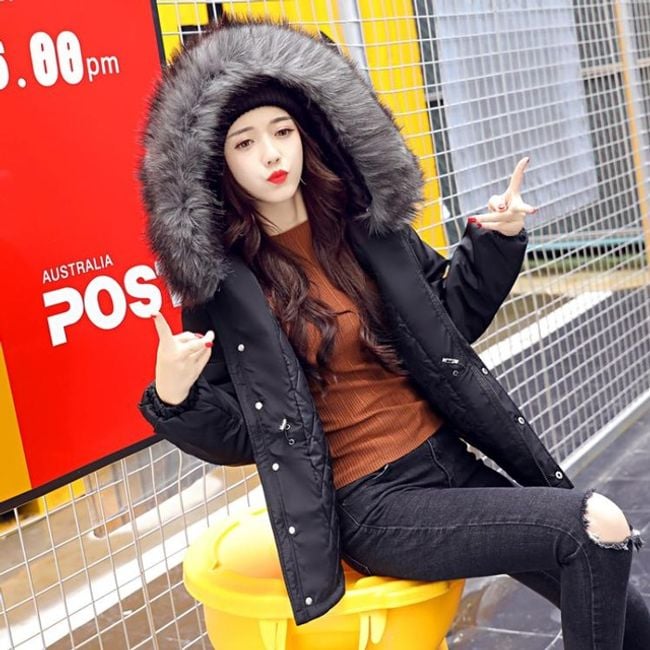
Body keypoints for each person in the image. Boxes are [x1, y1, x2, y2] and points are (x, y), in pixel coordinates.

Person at [136, 12, 649, 647]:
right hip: (373, 504)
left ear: (307, 134)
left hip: (449, 464)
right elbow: (249, 435)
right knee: (595, 526)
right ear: (217, 163)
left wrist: (497, 241)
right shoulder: (226, 286)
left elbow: (448, 324)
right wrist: (175, 395)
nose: (270, 154)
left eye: (282, 131)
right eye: (244, 143)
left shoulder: (367, 231)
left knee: (629, 611)